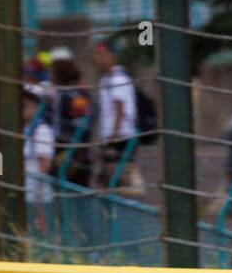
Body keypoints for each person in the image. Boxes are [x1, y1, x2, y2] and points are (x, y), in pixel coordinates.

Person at [92, 41, 144, 193]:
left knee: (123, 172)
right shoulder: (104, 80)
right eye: (97, 55)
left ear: (113, 57)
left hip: (121, 135)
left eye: (103, 54)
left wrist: (114, 134)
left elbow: (119, 109)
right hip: (110, 135)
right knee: (108, 177)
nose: (99, 58)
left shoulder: (118, 79)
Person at [47, 47, 93, 186]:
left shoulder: (73, 95)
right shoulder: (63, 93)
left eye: (52, 72)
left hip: (71, 151)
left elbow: (82, 124)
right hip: (68, 148)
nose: (50, 76)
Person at [22, 85, 57, 238]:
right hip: (18, 194)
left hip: (36, 197)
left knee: (40, 234)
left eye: (28, 104)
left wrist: (37, 200)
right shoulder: (14, 129)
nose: (23, 107)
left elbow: (44, 165)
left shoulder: (41, 130)